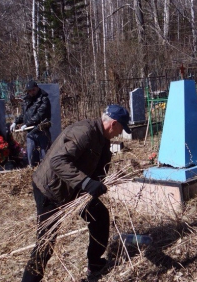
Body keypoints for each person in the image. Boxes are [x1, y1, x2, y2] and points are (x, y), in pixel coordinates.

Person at [21, 104, 131, 282]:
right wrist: (87, 183)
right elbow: (58, 162)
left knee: (99, 217)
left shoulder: (103, 138)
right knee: (46, 243)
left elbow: (99, 168)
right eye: (121, 128)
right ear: (114, 124)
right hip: (51, 189)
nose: (121, 133)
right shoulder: (85, 133)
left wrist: (102, 182)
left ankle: (94, 263)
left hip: (75, 188)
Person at [10, 81, 51, 167]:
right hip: (30, 132)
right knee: (30, 154)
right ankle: (32, 170)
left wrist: (27, 124)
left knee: (45, 155)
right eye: (30, 91)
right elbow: (23, 115)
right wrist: (15, 122)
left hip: (41, 130)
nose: (32, 92)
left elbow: (40, 115)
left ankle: (45, 172)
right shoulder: (26, 100)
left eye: (33, 90)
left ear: (37, 88)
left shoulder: (44, 99)